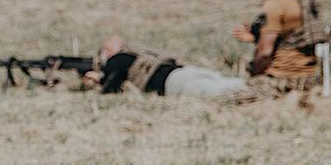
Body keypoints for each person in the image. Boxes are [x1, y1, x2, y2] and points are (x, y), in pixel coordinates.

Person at [232, 0, 330, 97]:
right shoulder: (308, 1)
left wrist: (255, 76)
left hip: (282, 82)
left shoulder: (276, 2)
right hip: (309, 81)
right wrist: (255, 38)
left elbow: (264, 54)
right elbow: (295, 39)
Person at [86, 35, 246, 98]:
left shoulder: (116, 60)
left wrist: (98, 80)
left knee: (218, 91)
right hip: (183, 71)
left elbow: (110, 90)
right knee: (231, 83)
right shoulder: (138, 55)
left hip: (173, 84)